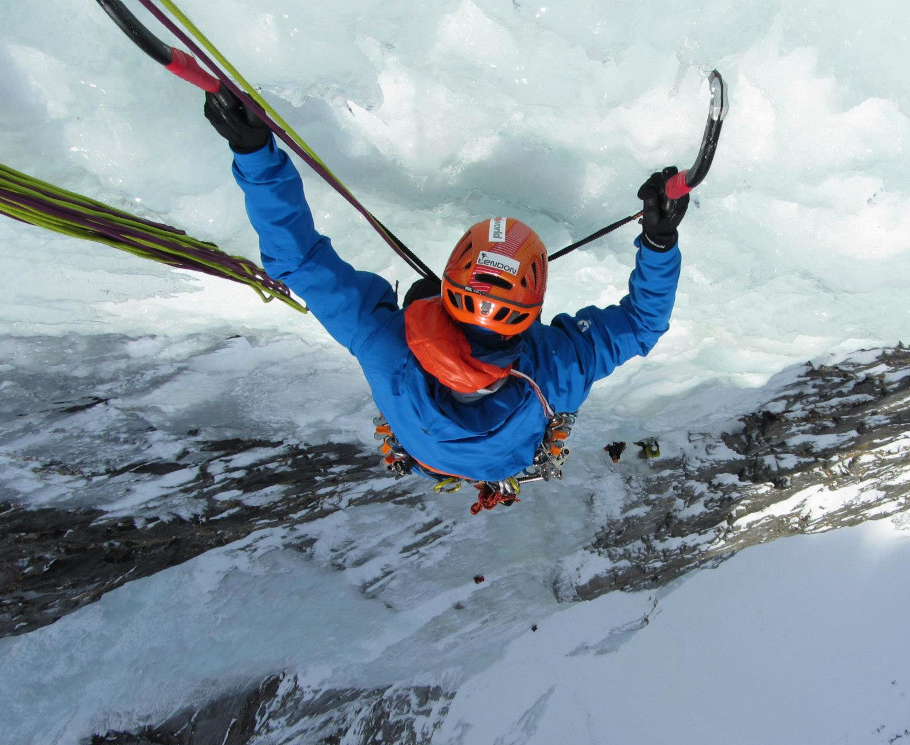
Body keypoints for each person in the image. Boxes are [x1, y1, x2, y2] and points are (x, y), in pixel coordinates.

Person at [204, 87, 687, 495]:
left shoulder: (388, 343)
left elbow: (300, 261)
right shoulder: (557, 367)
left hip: (451, 452)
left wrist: (253, 153)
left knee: (418, 300)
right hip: (457, 454)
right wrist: (659, 242)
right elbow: (644, 323)